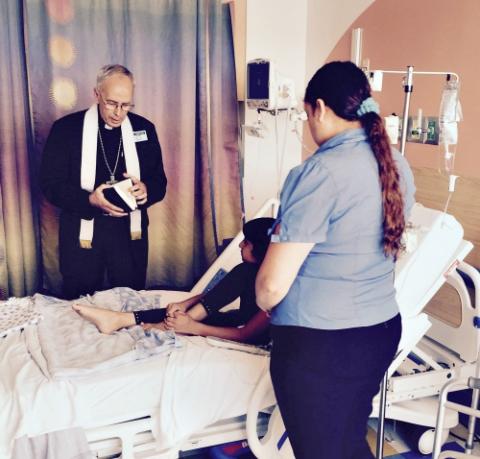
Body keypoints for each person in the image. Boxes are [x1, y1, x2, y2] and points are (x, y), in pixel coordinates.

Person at [255, 61, 416, 459]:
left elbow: (272, 286)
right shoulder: (398, 166)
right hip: (378, 333)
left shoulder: (319, 172)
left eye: (307, 113)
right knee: (345, 441)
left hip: (321, 346)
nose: (309, 123)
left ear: (321, 108)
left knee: (323, 450)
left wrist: (261, 302)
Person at [41, 64, 167, 300]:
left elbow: (160, 181)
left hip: (130, 236)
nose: (119, 113)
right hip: (83, 235)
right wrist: (89, 199)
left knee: (131, 303)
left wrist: (146, 189)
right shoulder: (66, 130)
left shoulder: (144, 128)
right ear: (96, 94)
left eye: (126, 105)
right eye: (111, 103)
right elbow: (50, 185)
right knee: (79, 306)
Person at [73, 217, 274, 344]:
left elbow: (247, 335)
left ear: (261, 249)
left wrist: (193, 327)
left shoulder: (276, 286)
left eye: (246, 243)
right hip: (240, 319)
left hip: (257, 337)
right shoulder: (254, 271)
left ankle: (166, 325)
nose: (240, 245)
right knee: (198, 312)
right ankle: (119, 319)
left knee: (202, 315)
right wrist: (183, 304)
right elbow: (216, 295)